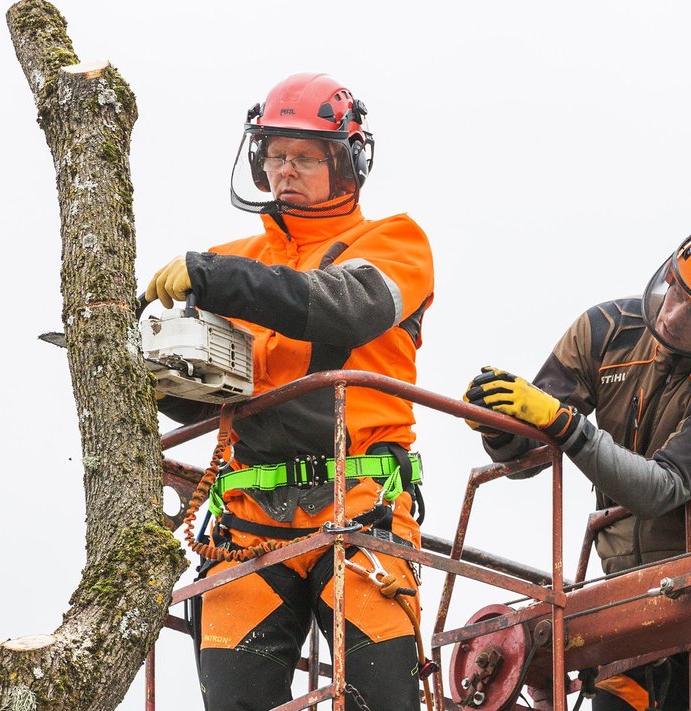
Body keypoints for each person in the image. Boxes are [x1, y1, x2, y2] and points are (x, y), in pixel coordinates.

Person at [145, 73, 435, 711]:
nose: (286, 170)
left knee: (382, 699)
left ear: (349, 162)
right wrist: (160, 370)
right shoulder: (232, 260)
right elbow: (209, 398)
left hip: (360, 502)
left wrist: (218, 278)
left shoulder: (393, 243)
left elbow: (346, 308)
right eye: (275, 155)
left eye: (306, 157)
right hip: (249, 519)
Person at [464, 223, 691, 710]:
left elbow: (661, 487)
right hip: (629, 604)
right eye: (673, 290)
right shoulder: (605, 332)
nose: (673, 315)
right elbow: (527, 459)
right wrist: (500, 431)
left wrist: (566, 426)